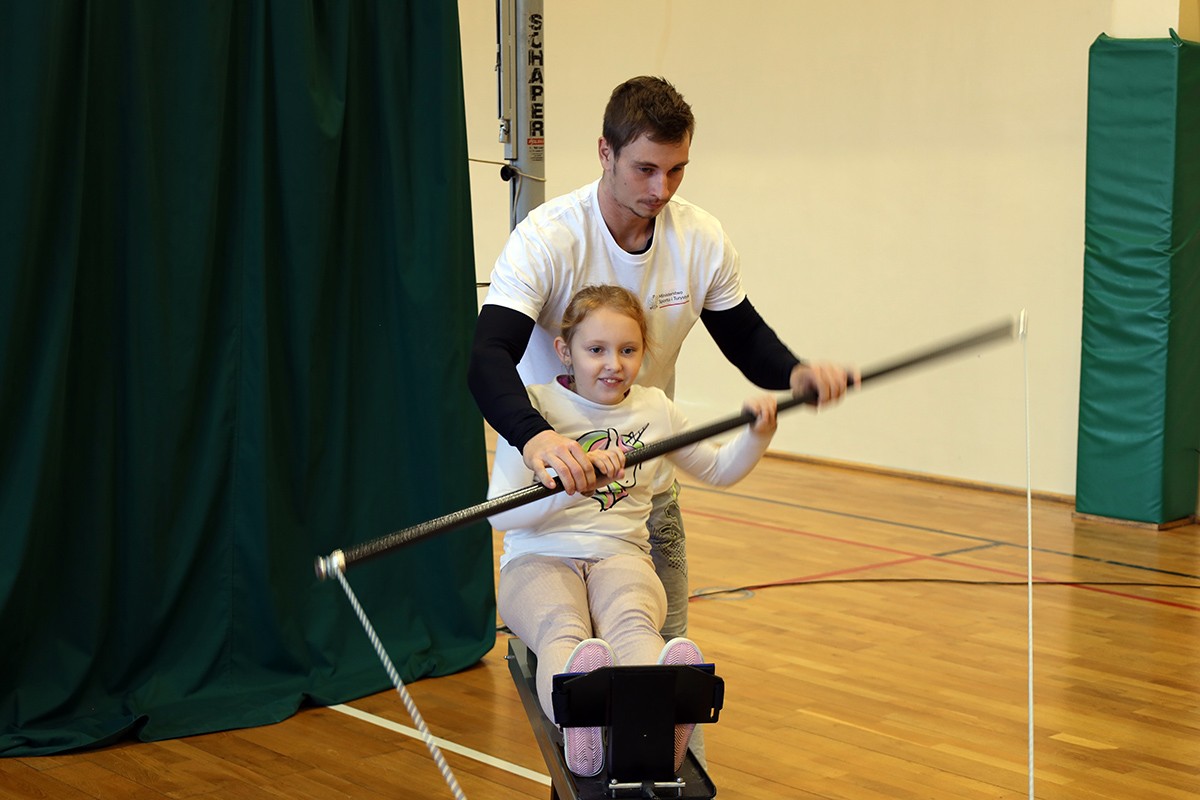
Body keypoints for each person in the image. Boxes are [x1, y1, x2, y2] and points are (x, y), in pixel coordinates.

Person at [469, 75, 854, 762]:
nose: (661, 188)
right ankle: (582, 732)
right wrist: (538, 441)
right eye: (645, 168)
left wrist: (794, 375)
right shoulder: (549, 239)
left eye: (677, 170)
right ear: (605, 153)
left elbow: (745, 338)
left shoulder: (699, 240)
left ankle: (660, 747)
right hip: (545, 484)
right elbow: (486, 356)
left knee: (651, 643)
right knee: (569, 644)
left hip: (639, 496)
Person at [488, 284, 778, 777]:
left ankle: (659, 732)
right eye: (596, 350)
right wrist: (573, 485)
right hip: (538, 556)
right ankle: (582, 739)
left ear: (644, 352)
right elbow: (502, 514)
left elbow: (718, 469)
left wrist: (758, 434)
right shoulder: (533, 408)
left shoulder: (655, 410)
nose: (613, 365)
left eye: (628, 350)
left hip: (621, 555)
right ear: (565, 351)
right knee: (564, 627)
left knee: (633, 625)